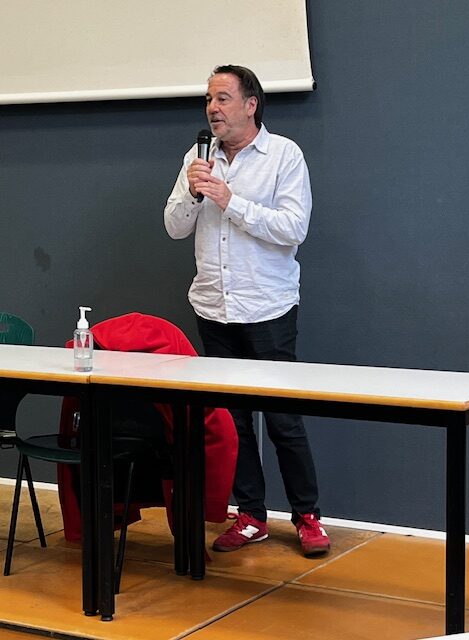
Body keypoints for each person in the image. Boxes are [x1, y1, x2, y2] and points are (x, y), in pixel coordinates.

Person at [164, 64, 330, 557]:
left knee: (283, 420)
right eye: (208, 99)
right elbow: (174, 227)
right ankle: (252, 515)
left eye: (222, 98)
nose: (212, 108)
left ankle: (307, 517)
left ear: (250, 104)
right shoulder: (197, 157)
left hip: (267, 308)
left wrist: (230, 200)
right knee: (232, 422)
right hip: (214, 308)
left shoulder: (283, 155)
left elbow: (293, 228)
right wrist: (193, 193)